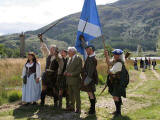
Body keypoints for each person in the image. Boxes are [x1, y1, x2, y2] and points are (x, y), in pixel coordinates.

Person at [104, 49, 127, 117]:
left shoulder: (119, 63)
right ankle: (117, 111)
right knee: (117, 96)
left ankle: (118, 112)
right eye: (114, 54)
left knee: (115, 96)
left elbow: (112, 71)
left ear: (119, 56)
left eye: (116, 54)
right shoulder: (115, 61)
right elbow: (109, 63)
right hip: (116, 81)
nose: (114, 55)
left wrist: (109, 71)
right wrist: (106, 55)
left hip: (118, 82)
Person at [39, 35, 59, 107]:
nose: (51, 50)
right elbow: (44, 48)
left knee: (54, 89)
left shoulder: (58, 57)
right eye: (51, 49)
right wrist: (41, 39)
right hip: (46, 75)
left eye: (53, 49)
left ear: (56, 50)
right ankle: (42, 102)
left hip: (54, 75)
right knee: (44, 88)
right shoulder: (48, 55)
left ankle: (55, 103)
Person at [64, 47, 82, 114]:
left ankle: (78, 109)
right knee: (71, 95)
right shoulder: (69, 58)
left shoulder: (78, 58)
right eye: (68, 51)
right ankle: (72, 107)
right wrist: (65, 72)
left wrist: (71, 74)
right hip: (68, 80)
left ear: (73, 52)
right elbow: (67, 68)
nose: (68, 52)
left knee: (77, 95)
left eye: (69, 51)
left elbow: (79, 70)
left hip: (75, 80)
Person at [81, 45, 98, 114]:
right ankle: (92, 108)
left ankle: (92, 110)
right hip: (88, 78)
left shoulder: (92, 59)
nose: (86, 51)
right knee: (89, 93)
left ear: (90, 50)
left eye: (87, 50)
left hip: (90, 79)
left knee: (90, 93)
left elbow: (90, 72)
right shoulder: (90, 57)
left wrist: (86, 81)